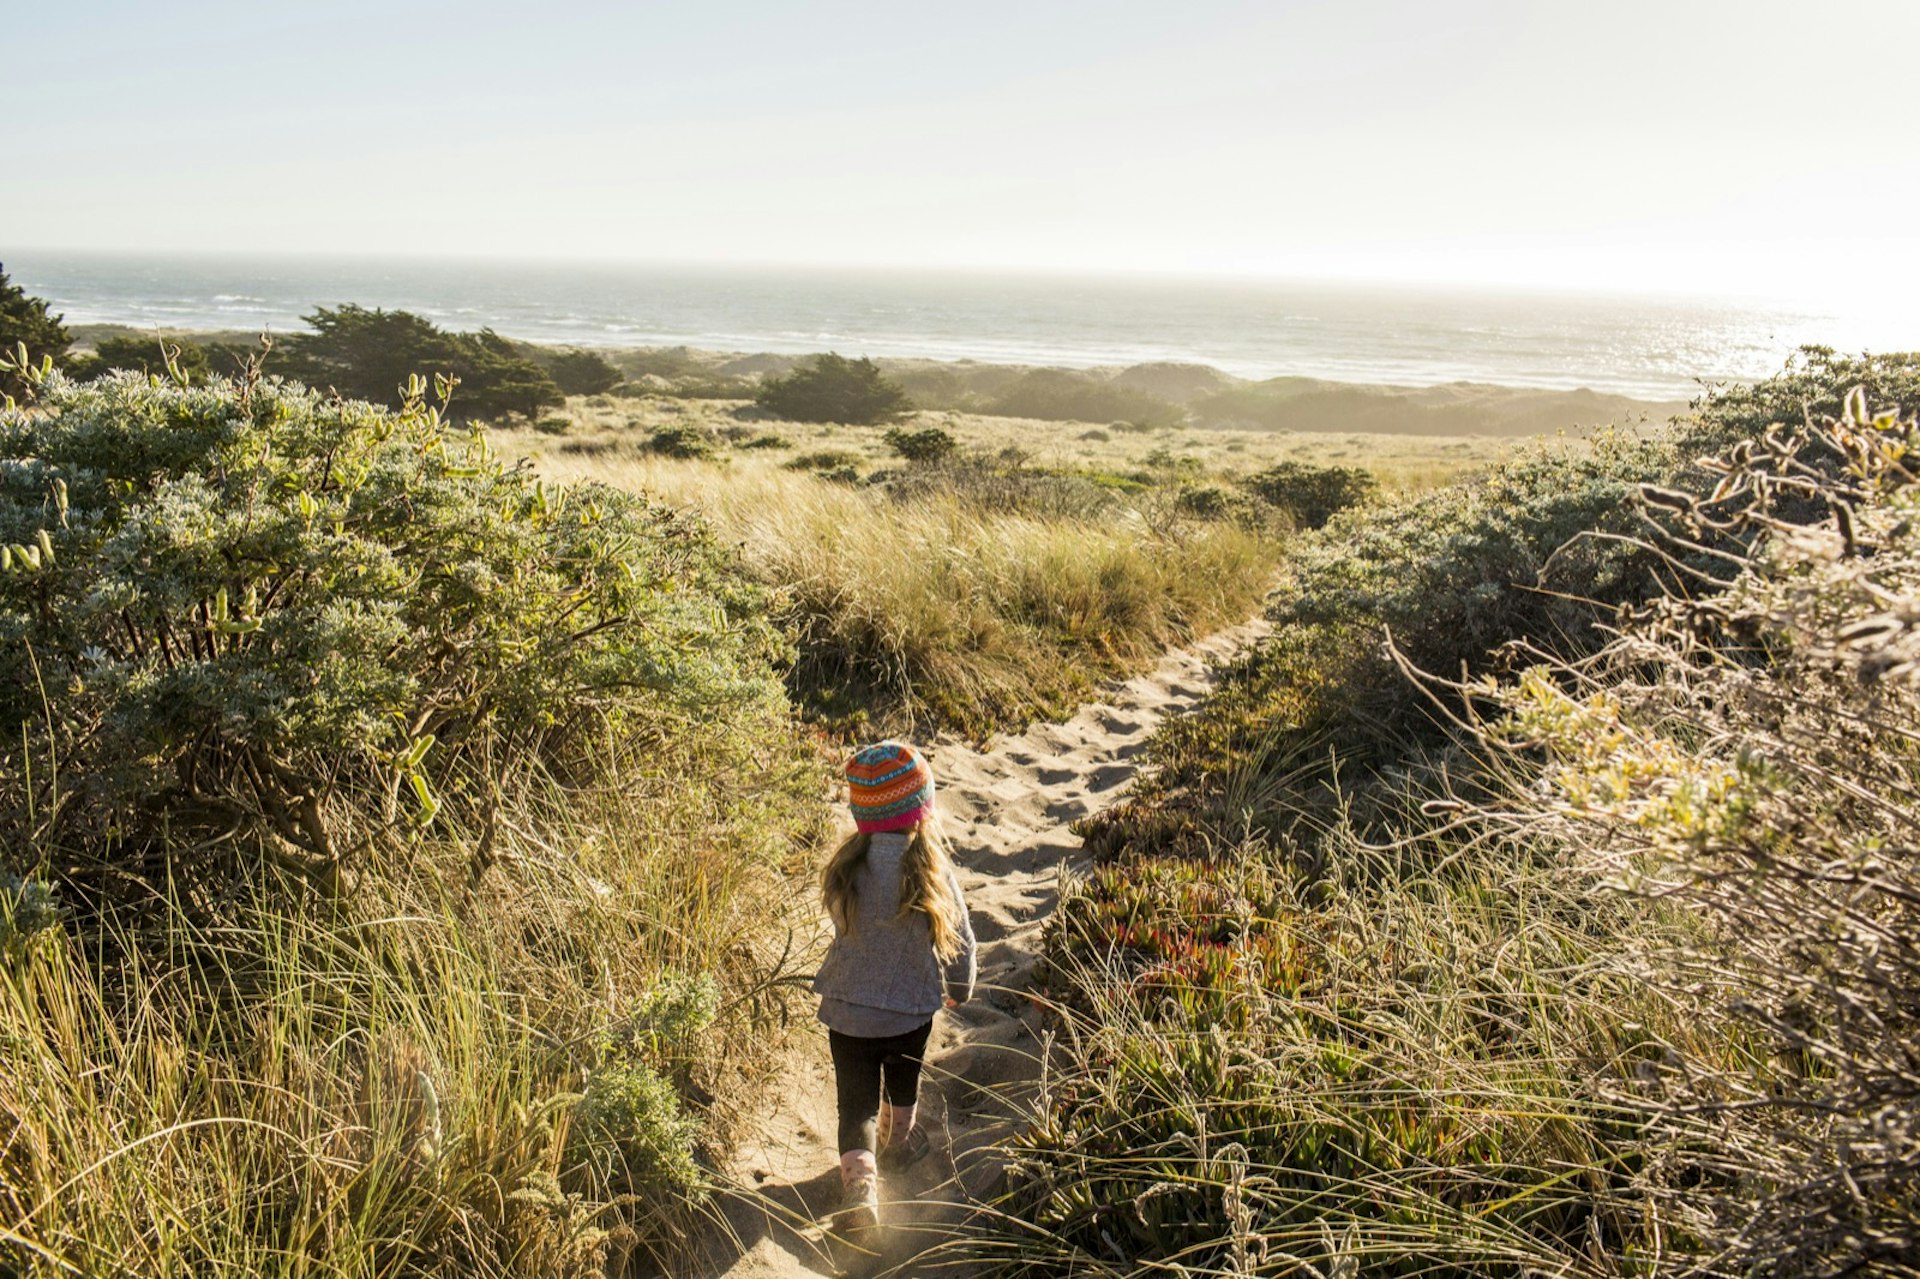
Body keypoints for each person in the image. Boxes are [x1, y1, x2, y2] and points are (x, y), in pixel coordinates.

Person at [812, 740, 977, 1231]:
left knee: (854, 1103)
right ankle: (898, 1145)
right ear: (920, 809)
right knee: (902, 1085)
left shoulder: (846, 868)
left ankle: (861, 1191)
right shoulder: (932, 869)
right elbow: (963, 942)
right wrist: (961, 988)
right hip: (909, 1014)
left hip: (847, 1015)